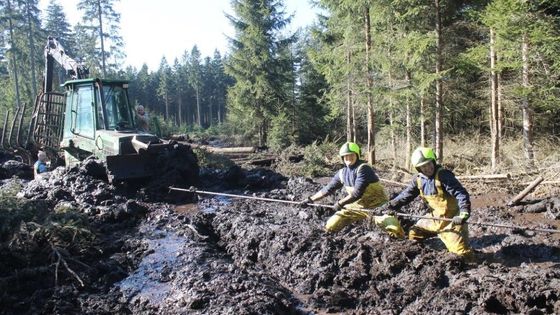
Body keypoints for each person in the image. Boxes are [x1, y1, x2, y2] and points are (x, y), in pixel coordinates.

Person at [379, 147, 474, 258]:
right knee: (414, 234)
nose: (428, 168)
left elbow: (461, 193)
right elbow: (405, 196)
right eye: (423, 166)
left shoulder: (444, 175)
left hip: (451, 220)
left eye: (429, 164)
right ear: (418, 168)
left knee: (461, 254)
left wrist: (463, 213)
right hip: (435, 218)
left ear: (433, 161)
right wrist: (388, 206)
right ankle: (424, 258)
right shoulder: (418, 180)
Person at [300, 142, 405, 238]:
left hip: (378, 206)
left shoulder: (364, 169)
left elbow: (356, 194)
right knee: (330, 226)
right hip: (356, 206)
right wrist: (310, 200)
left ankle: (402, 241)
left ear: (357, 155)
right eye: (346, 156)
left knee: (394, 229)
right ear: (342, 158)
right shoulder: (342, 173)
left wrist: (340, 203)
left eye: (351, 155)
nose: (348, 158)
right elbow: (328, 189)